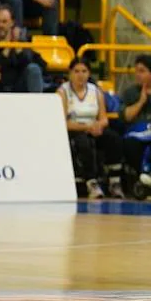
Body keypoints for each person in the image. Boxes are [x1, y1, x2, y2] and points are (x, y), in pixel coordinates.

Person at [59, 57, 122, 199]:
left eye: (84, 71)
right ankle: (91, 182)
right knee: (83, 143)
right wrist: (86, 127)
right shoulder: (63, 92)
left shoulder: (96, 91)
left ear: (89, 73)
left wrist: (98, 125)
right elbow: (63, 122)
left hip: (93, 128)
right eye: (76, 71)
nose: (80, 75)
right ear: (70, 73)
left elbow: (104, 118)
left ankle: (114, 181)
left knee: (114, 138)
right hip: (74, 129)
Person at [0, 4, 45, 94]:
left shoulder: (21, 42)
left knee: (33, 68)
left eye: (4, 22)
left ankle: (37, 105)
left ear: (12, 23)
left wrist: (18, 48)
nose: (0, 25)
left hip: (20, 88)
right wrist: (8, 48)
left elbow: (41, 65)